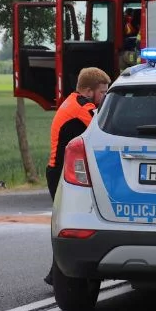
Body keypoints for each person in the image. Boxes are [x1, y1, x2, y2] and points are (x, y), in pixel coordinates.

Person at [44, 66, 111, 285]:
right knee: (68, 226)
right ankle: (59, 276)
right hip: (61, 172)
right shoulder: (83, 107)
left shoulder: (71, 101)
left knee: (65, 223)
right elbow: (105, 128)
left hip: (57, 169)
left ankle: (55, 275)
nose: (105, 96)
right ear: (89, 91)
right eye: (103, 92)